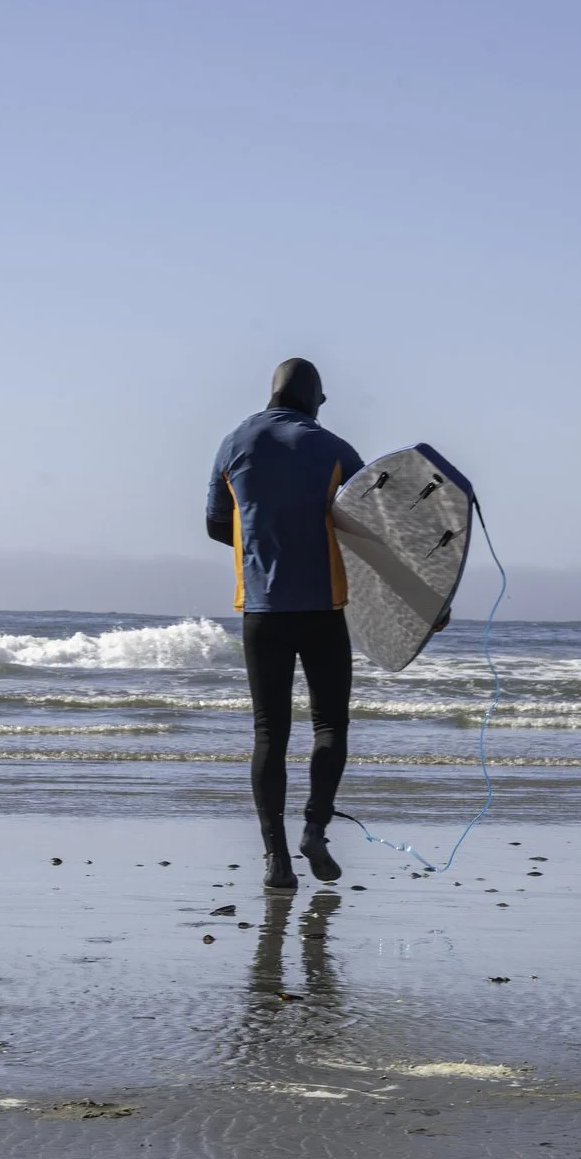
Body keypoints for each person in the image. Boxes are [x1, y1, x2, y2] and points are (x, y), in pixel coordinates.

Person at [206, 358, 367, 890]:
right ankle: (315, 830)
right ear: (314, 398)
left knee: (270, 733)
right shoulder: (338, 451)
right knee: (329, 726)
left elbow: (215, 525)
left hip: (262, 612)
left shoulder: (234, 443)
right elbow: (374, 537)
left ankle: (276, 859)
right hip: (324, 610)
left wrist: (262, 547)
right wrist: (427, 604)